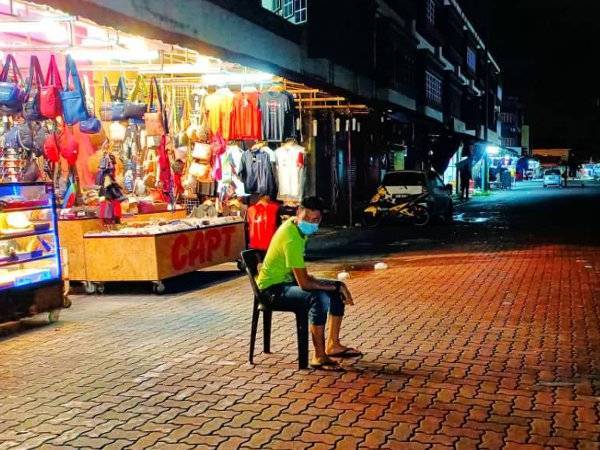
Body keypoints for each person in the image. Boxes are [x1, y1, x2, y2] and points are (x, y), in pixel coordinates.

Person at [256, 196, 360, 369]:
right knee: (318, 298)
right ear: (298, 213)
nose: (311, 223)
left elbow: (302, 276)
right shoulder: (292, 239)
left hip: (287, 281)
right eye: (307, 219)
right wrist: (336, 285)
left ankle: (333, 344)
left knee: (334, 291)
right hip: (272, 290)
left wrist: (335, 286)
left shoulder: (295, 226)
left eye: (315, 220)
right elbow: (304, 284)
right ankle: (319, 356)